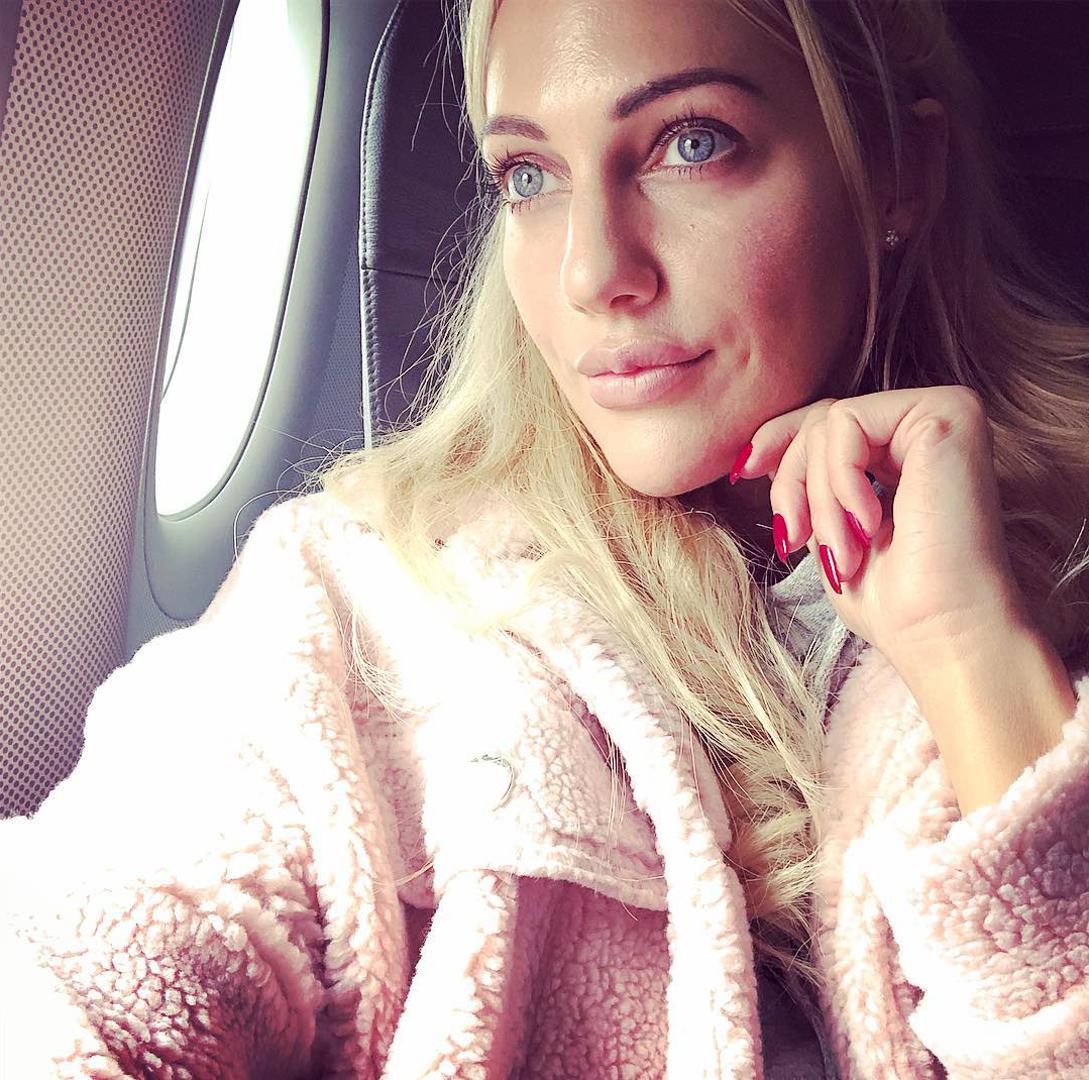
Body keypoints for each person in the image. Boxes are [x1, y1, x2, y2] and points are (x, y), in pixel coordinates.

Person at [3, 0, 1089, 1076]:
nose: (591, 272)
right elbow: (88, 958)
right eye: (529, 175)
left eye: (690, 143)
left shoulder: (1056, 580)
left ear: (898, 172)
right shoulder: (354, 604)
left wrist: (971, 653)